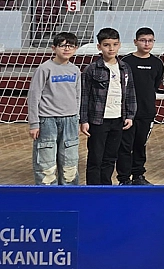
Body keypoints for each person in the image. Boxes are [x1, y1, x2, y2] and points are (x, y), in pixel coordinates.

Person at [80, 28, 137, 185]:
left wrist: (130, 115)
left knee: (110, 157)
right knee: (95, 157)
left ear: (119, 45)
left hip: (118, 119)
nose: (111, 48)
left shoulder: (125, 68)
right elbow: (85, 96)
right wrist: (84, 120)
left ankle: (106, 186)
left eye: (114, 44)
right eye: (106, 45)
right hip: (98, 120)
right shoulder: (91, 69)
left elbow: (130, 93)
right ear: (99, 47)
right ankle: (93, 189)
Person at [28, 32, 82, 185]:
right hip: (47, 121)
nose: (67, 49)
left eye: (71, 46)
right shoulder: (44, 69)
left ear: (76, 49)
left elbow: (78, 96)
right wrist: (34, 123)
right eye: (63, 45)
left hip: (70, 120)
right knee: (46, 163)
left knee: (70, 162)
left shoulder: (75, 70)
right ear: (54, 48)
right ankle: (47, 196)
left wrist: (77, 119)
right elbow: (34, 96)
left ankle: (69, 196)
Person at [117, 28, 163, 185]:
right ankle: (123, 178)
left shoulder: (157, 63)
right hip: (127, 113)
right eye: (143, 40)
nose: (147, 43)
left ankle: (138, 175)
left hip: (147, 112)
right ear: (135, 42)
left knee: (140, 145)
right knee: (125, 146)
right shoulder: (125, 62)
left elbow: (155, 84)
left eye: (150, 40)